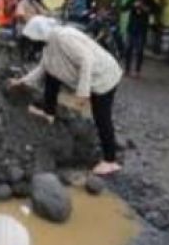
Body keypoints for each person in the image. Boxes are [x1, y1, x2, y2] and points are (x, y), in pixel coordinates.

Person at [9, 16, 123, 177]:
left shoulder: (64, 38)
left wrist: (82, 93)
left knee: (102, 117)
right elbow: (43, 67)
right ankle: (49, 113)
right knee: (51, 75)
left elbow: (86, 60)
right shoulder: (50, 43)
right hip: (93, 75)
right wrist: (21, 81)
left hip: (103, 76)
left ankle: (110, 161)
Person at [120, 0, 161, 78]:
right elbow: (123, 8)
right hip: (131, 27)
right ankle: (127, 69)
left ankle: (137, 71)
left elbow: (157, 10)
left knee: (139, 50)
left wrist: (146, 8)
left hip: (142, 28)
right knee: (128, 49)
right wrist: (132, 6)